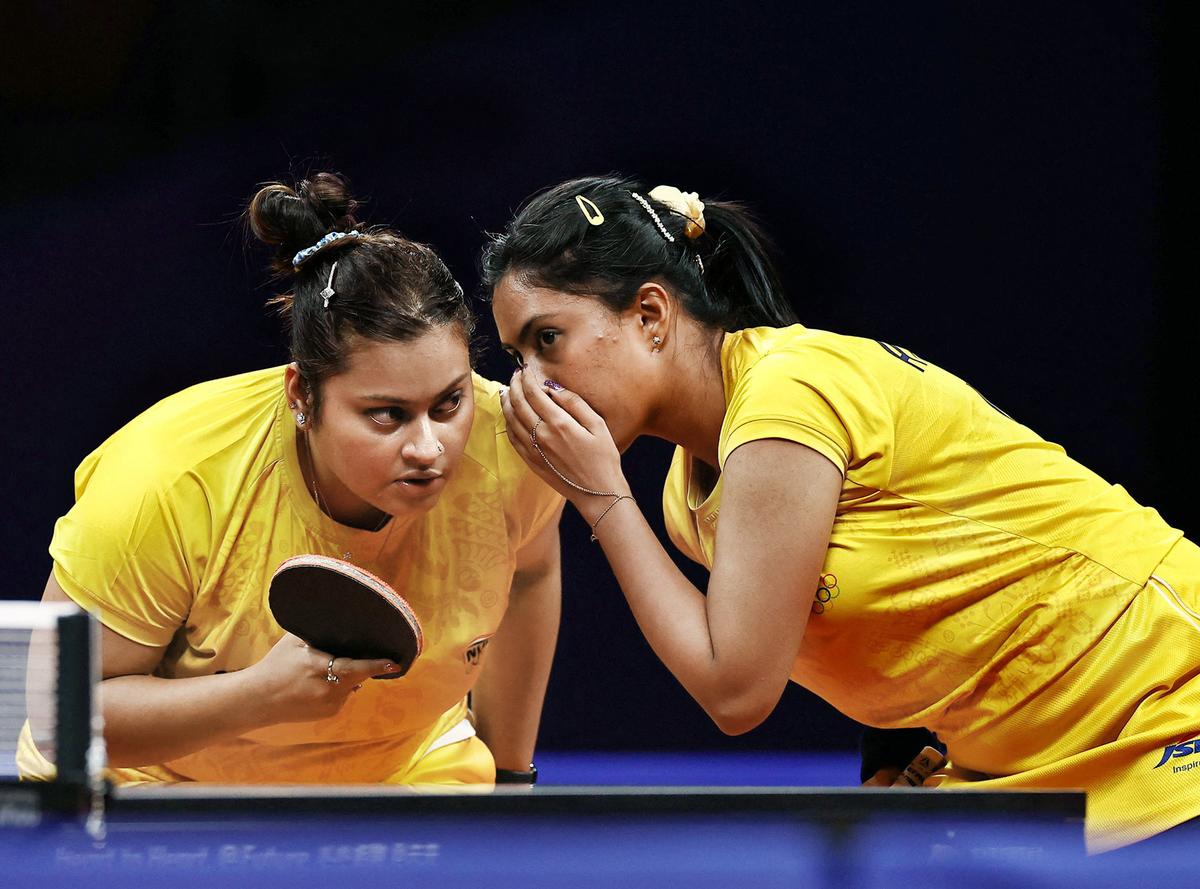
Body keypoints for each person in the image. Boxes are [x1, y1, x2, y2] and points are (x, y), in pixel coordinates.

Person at [482, 175, 1200, 851]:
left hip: (1166, 696)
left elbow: (735, 690)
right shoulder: (686, 497)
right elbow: (920, 571)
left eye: (549, 339)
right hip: (1029, 766)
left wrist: (600, 496)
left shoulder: (787, 394)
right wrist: (900, 734)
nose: (534, 385)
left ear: (650, 315)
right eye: (518, 355)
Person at [19, 172, 562, 786]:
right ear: (304, 396)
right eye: (385, 414)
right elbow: (56, 712)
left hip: (406, 768)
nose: (428, 447)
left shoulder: (511, 444)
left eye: (448, 403)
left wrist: (512, 777)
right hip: (155, 787)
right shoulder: (168, 478)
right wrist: (258, 694)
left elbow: (530, 573)